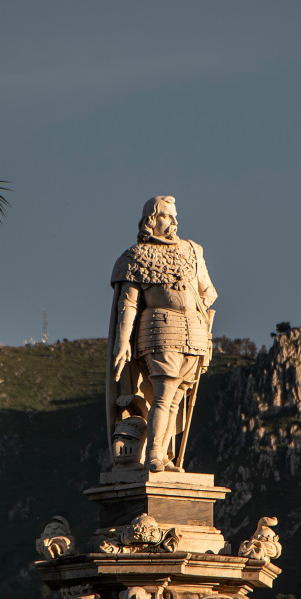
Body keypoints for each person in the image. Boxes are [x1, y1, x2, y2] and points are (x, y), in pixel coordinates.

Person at [107, 196, 217, 473]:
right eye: (167, 216)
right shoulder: (135, 256)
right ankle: (154, 454)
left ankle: (164, 456)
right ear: (151, 220)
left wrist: (196, 309)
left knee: (177, 398)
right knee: (164, 393)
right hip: (160, 329)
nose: (173, 221)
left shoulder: (193, 251)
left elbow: (208, 291)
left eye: (174, 215)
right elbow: (128, 304)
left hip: (193, 331)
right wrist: (122, 342)